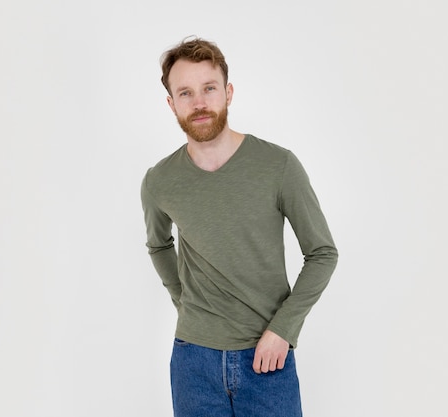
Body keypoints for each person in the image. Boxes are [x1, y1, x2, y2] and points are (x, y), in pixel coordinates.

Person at [140, 36, 338, 417]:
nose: (199, 103)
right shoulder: (159, 181)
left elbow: (323, 253)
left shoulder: (278, 166)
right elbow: (159, 245)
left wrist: (284, 330)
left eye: (209, 89)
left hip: (267, 358)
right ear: (171, 104)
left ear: (228, 93)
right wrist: (183, 300)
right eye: (185, 93)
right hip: (193, 361)